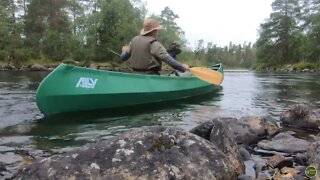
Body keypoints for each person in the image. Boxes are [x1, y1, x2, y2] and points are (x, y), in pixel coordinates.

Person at [120, 17, 189, 75]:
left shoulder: (133, 40)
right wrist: (183, 68)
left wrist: (124, 51)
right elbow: (168, 60)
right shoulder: (154, 43)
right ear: (154, 31)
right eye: (157, 30)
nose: (157, 32)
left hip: (135, 75)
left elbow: (123, 57)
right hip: (150, 76)